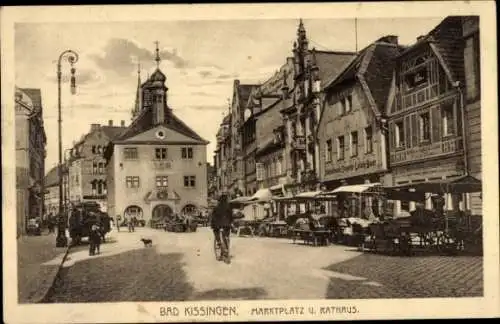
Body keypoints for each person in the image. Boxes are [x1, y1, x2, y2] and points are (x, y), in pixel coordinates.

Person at [211, 193, 233, 263]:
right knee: (226, 236)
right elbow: (231, 217)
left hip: (218, 225)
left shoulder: (216, 207)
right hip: (226, 225)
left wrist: (213, 225)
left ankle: (219, 242)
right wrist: (230, 222)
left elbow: (213, 217)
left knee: (215, 231)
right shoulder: (229, 207)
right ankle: (226, 246)